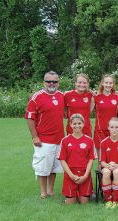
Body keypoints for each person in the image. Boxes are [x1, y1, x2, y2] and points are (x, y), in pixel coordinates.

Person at [25, 71, 64, 199]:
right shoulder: (37, 97)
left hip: (59, 138)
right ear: (44, 82)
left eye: (54, 81)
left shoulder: (61, 95)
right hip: (44, 139)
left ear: (58, 83)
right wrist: (34, 136)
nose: (51, 83)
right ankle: (43, 192)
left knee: (54, 167)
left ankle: (51, 190)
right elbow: (30, 118)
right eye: (49, 81)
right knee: (42, 167)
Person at [58, 114, 95, 204]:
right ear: (70, 124)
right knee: (70, 203)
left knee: (84, 203)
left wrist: (86, 175)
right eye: (74, 123)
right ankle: (72, 196)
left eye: (79, 123)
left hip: (84, 175)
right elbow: (62, 160)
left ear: (83, 124)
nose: (77, 126)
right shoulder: (65, 140)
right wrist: (71, 175)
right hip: (70, 174)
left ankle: (82, 194)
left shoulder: (89, 140)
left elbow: (91, 159)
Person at [91, 74, 118, 155]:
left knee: (113, 156)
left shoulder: (116, 97)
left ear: (113, 84)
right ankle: (99, 169)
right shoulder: (96, 96)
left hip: (113, 130)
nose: (108, 85)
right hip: (100, 131)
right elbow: (87, 112)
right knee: (101, 159)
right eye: (106, 83)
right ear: (102, 83)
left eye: (110, 83)